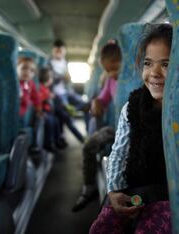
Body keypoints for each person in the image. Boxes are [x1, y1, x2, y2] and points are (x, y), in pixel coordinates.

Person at [89, 23, 173, 233]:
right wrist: (114, 191)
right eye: (147, 63)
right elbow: (119, 152)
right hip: (133, 190)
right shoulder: (132, 107)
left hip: (169, 195)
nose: (154, 73)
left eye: (166, 64)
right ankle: (88, 187)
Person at [71, 40, 122, 211]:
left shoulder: (137, 75)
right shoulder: (110, 79)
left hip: (138, 130)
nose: (111, 73)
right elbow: (103, 99)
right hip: (117, 129)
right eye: (107, 70)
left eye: (115, 67)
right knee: (89, 146)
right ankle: (89, 188)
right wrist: (96, 103)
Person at [38, 68, 63, 152]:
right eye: (51, 78)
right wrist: (48, 96)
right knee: (50, 122)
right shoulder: (41, 87)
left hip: (49, 111)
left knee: (56, 121)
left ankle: (57, 141)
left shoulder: (47, 88)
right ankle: (48, 143)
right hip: (43, 111)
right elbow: (39, 99)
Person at [18, 57, 41, 124]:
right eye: (24, 68)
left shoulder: (30, 83)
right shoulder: (14, 83)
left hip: (24, 115)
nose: (27, 72)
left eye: (32, 70)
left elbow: (36, 97)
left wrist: (38, 108)